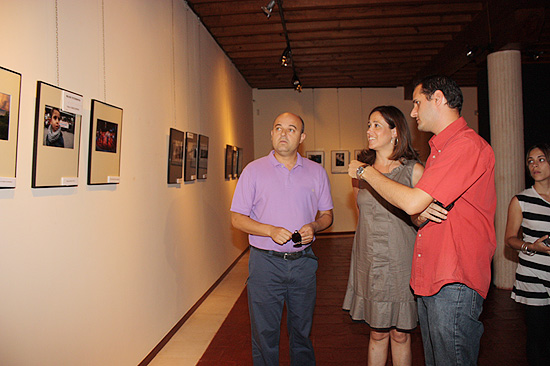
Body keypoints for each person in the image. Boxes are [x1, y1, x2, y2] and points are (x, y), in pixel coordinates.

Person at [348, 75, 496, 366]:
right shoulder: (439, 152)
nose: (413, 112)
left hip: (454, 277)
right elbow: (418, 215)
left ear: (438, 99)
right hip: (432, 276)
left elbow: (413, 202)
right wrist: (418, 212)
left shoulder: (465, 146)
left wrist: (365, 172)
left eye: (417, 103)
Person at [230, 112, 334, 366]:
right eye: (278, 128)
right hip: (265, 264)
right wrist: (269, 230)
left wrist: (314, 226)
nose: (283, 134)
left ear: (302, 137)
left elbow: (328, 215)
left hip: (303, 263)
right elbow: (237, 218)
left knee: (302, 333)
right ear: (272, 133)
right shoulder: (253, 171)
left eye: (291, 129)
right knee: (264, 334)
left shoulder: (316, 172)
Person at [343, 106, 423, 366]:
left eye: (377, 125)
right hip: (369, 259)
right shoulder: (360, 173)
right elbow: (362, 213)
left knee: (401, 334)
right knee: (377, 332)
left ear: (395, 132)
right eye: (368, 125)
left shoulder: (414, 171)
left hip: (401, 261)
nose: (369, 130)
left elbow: (421, 219)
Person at [505, 143, 550, 366]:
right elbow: (510, 239)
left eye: (541, 159)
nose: (535, 165)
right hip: (533, 274)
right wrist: (532, 247)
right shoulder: (521, 200)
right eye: (530, 161)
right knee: (537, 336)